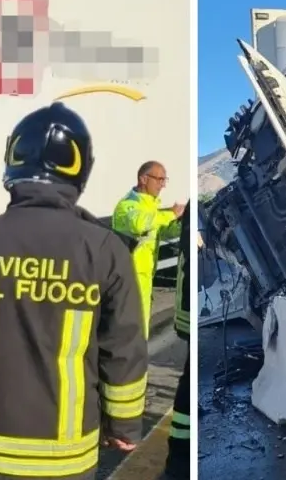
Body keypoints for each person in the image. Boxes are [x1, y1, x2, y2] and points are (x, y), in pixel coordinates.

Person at [0, 102, 150, 480]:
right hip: (67, 459)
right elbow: (123, 347)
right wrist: (124, 424)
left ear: (13, 162)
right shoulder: (106, 250)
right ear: (81, 170)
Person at [112, 161, 184, 337]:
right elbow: (139, 224)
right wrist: (171, 213)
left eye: (164, 180)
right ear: (143, 179)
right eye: (159, 179)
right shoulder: (127, 205)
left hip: (144, 276)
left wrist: (180, 223)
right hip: (129, 276)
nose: (162, 185)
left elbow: (161, 232)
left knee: (140, 324)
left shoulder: (150, 206)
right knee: (129, 325)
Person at [161, 205, 195, 480]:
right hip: (188, 310)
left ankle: (178, 462)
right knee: (188, 383)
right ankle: (178, 464)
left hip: (187, 308)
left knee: (188, 381)